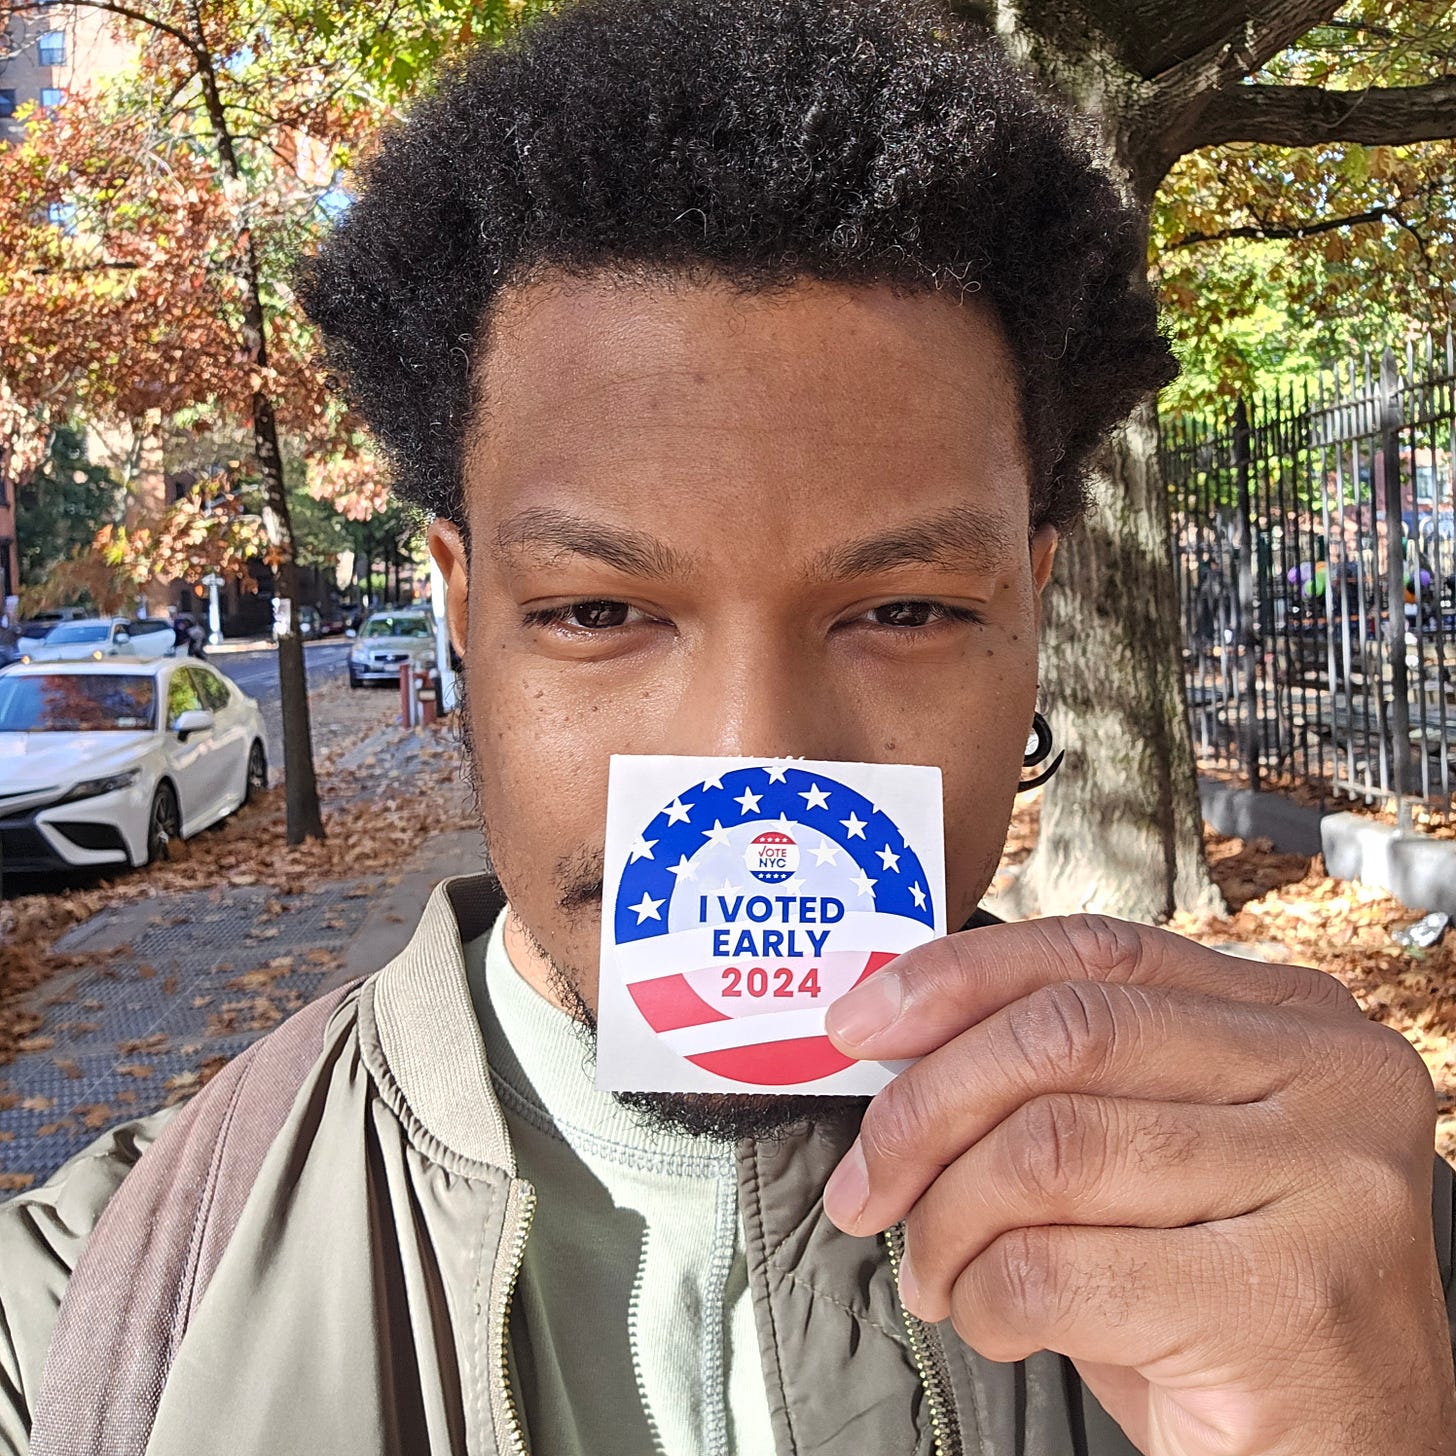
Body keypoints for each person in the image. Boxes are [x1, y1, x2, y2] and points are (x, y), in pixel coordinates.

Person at [3, 2, 1454, 1453]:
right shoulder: (80, 1317)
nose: (754, 766)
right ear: (460, 608)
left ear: (1033, 603)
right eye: (594, 613)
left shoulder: (1354, 1263)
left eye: (903, 614)